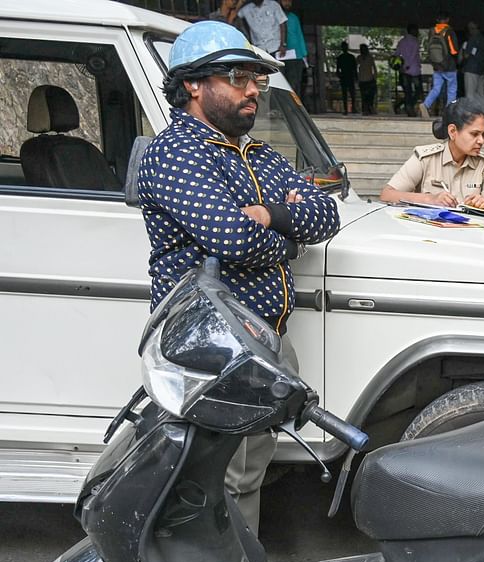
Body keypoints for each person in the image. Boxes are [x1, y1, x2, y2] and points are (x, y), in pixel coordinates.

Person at [138, 20, 340, 534]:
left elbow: (326, 215)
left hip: (262, 339)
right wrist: (284, 228)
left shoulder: (260, 154)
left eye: (257, 79)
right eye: (238, 77)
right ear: (193, 84)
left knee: (247, 467)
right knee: (222, 476)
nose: (253, 90)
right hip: (214, 348)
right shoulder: (177, 150)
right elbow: (234, 239)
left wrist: (269, 215)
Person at [379, 98, 484, 211]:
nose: (481, 141)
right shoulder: (426, 159)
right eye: (474, 134)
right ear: (452, 131)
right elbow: (387, 195)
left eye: (483, 134)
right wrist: (431, 199)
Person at [419, 14, 459, 118]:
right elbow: (454, 50)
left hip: (437, 66)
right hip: (449, 65)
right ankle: (449, 111)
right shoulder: (449, 31)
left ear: (437, 19)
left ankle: (426, 104)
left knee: (436, 88)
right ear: (448, 19)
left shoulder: (432, 31)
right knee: (452, 89)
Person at [461, 21, 484, 115]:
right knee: (481, 93)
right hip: (482, 70)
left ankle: (470, 114)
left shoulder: (472, 39)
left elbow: (466, 55)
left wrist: (463, 50)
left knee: (470, 94)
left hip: (471, 69)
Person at [392, 24, 422, 117]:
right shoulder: (415, 41)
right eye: (416, 30)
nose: (418, 33)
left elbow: (396, 54)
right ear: (412, 31)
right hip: (414, 70)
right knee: (418, 91)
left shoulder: (401, 41)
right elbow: (413, 55)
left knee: (408, 91)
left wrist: (399, 66)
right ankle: (409, 106)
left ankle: (406, 106)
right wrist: (407, 65)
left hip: (403, 71)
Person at [279, 0, 307, 96]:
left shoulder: (294, 17)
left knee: (294, 85)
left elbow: (299, 35)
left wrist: (304, 54)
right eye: (285, 1)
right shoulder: (274, 17)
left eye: (289, 1)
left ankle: (294, 110)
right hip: (279, 55)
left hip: (296, 55)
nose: (287, 4)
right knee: (281, 85)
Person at [335, 41, 357, 114]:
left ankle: (352, 108)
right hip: (345, 77)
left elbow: (355, 69)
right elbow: (337, 69)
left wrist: (355, 77)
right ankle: (347, 109)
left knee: (351, 94)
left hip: (348, 76)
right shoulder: (342, 57)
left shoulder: (348, 57)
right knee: (347, 94)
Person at [357, 43, 377, 115]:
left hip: (369, 78)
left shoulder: (370, 58)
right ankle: (365, 110)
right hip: (362, 79)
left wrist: (374, 77)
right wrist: (357, 77)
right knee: (363, 96)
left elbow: (374, 68)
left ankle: (370, 108)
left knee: (370, 95)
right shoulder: (359, 58)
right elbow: (356, 67)